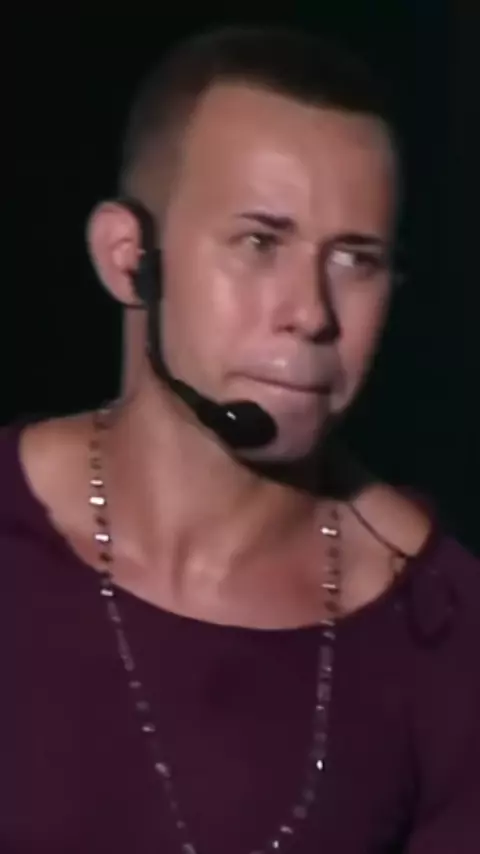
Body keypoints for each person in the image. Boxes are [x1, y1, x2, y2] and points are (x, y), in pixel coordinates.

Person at [1, 25, 479, 854]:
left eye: (355, 260)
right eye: (260, 243)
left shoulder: (446, 630)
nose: (313, 313)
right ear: (129, 259)